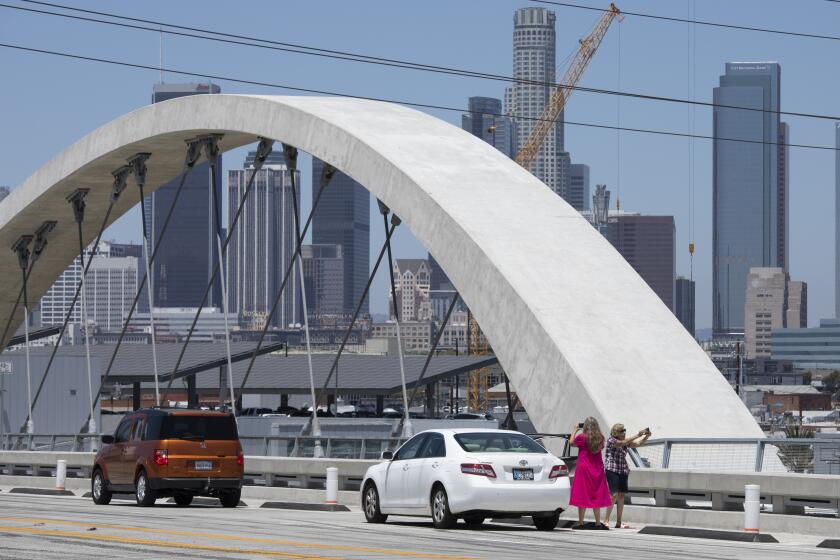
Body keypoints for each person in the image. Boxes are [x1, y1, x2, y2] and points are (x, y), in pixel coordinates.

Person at [569, 417, 613, 529]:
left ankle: (580, 522)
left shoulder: (582, 437)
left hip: (583, 468)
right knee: (596, 494)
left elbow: (571, 443)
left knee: (582, 493)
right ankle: (598, 523)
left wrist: (575, 429)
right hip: (597, 468)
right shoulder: (601, 438)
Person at [604, 424, 651, 528]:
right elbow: (621, 443)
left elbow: (638, 443)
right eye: (622, 431)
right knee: (614, 495)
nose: (624, 432)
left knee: (621, 496)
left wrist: (646, 436)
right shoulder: (612, 440)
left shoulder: (625, 441)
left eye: (624, 430)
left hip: (623, 470)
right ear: (616, 433)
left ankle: (618, 522)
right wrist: (638, 434)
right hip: (612, 469)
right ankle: (606, 520)